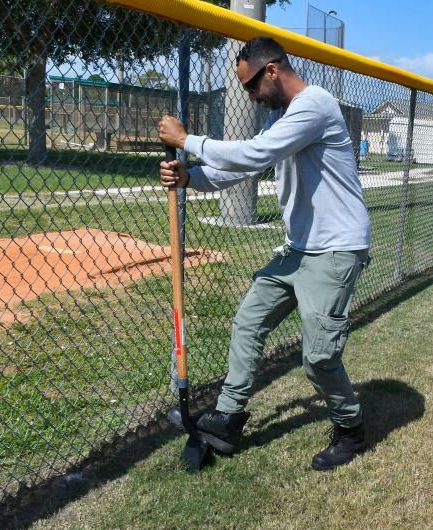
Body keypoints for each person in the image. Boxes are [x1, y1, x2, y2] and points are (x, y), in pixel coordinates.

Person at [158, 36, 372, 471]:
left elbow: (256, 152)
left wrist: (188, 140)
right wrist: (189, 178)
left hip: (335, 249)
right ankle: (229, 418)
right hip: (299, 249)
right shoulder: (285, 118)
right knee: (249, 320)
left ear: (271, 70)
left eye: (251, 86)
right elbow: (247, 164)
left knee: (318, 357)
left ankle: (351, 429)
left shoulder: (315, 105)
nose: (251, 96)